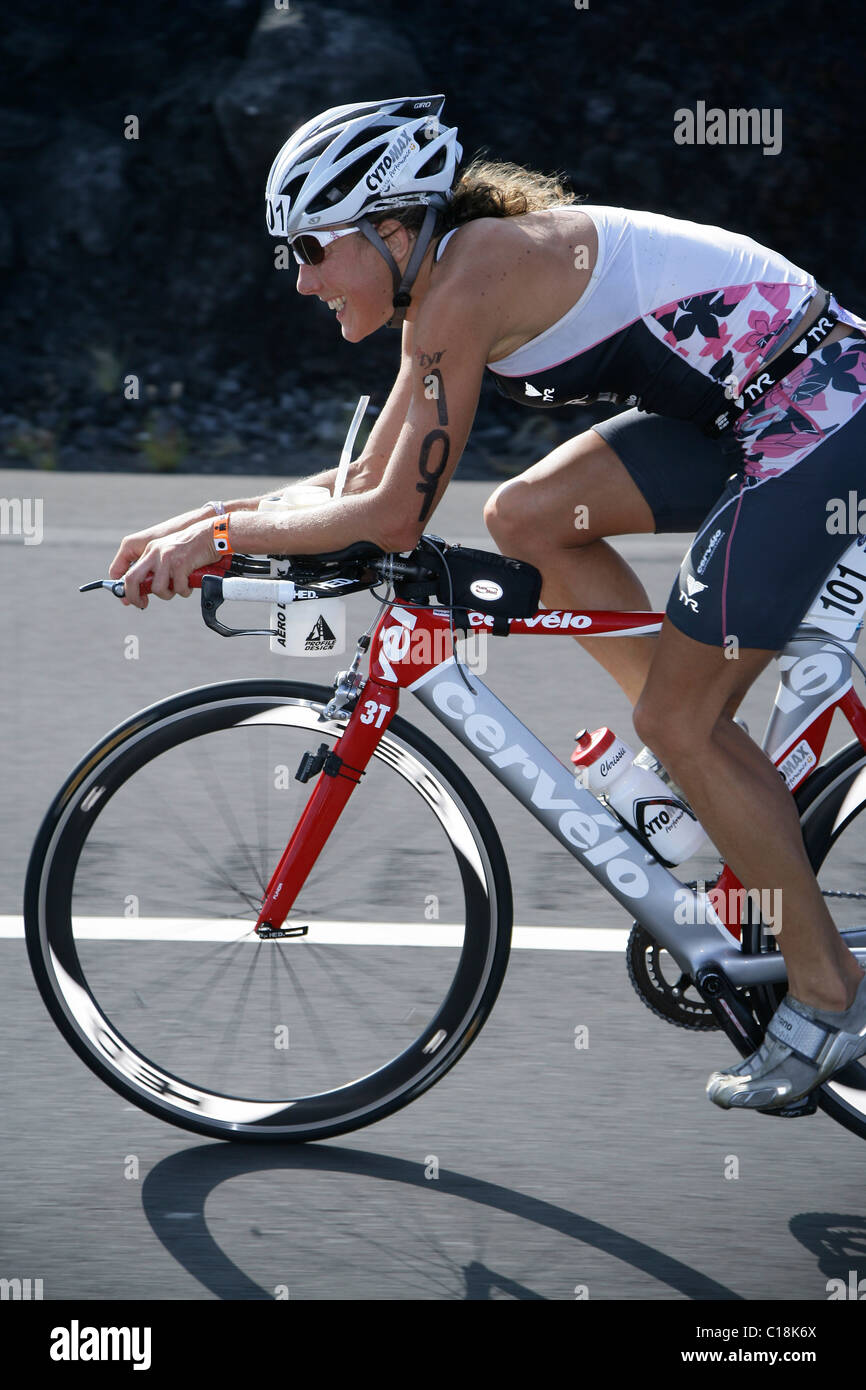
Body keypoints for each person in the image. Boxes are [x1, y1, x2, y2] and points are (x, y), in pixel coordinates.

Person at [111, 93, 866, 1113]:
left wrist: (217, 537)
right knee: (527, 516)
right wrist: (207, 521)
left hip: (816, 415)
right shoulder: (441, 284)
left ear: (389, 227)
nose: (300, 280)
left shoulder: (467, 279)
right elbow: (359, 485)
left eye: (313, 249)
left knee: (675, 719)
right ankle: (700, 772)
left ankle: (824, 993)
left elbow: (388, 518)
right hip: (756, 409)